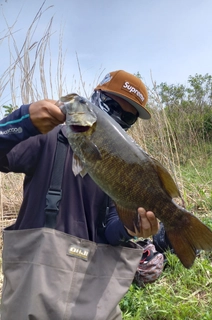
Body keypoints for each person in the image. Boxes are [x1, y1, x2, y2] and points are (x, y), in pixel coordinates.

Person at [0, 70, 169, 320]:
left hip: (91, 293)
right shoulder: (46, 137)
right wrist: (23, 121)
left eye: (128, 117)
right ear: (95, 98)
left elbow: (110, 231)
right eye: (112, 106)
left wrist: (130, 229)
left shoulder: (126, 167)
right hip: (32, 284)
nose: (117, 117)